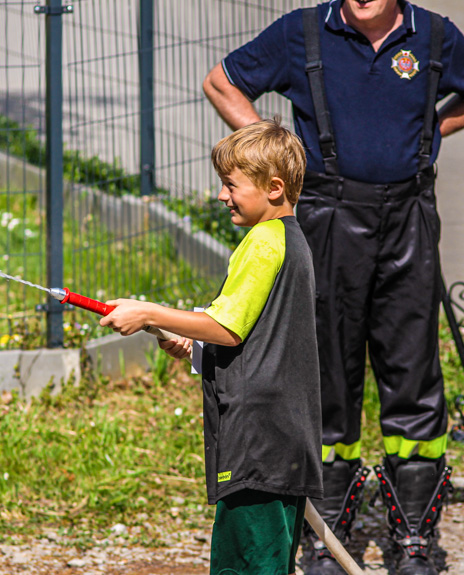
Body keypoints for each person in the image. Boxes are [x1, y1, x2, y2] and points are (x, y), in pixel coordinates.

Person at [202, 1, 464, 574]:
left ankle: (414, 537)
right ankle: (326, 532)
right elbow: (221, 82)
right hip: (328, 212)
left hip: (409, 211)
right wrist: (279, 159)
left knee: (413, 369)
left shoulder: (433, 35)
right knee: (327, 368)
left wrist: (433, 129)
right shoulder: (304, 31)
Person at [100, 118, 323, 575]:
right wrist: (195, 346)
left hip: (257, 441)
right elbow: (263, 335)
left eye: (230, 185)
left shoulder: (262, 243)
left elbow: (227, 328)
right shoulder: (292, 242)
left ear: (274, 188)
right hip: (284, 437)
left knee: (244, 565)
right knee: (270, 560)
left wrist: (148, 312)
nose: (222, 196)